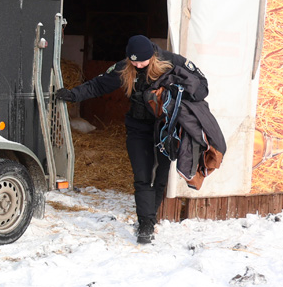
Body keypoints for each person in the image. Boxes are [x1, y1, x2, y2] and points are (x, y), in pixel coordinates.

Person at [55, 34, 209, 244]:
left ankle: (150, 218)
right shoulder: (125, 66)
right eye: (133, 61)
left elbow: (202, 85)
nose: (136, 65)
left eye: (141, 61)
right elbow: (98, 85)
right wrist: (72, 94)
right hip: (138, 128)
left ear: (151, 57)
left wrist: (179, 95)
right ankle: (145, 225)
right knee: (142, 175)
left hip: (165, 128)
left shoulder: (172, 62)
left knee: (161, 177)